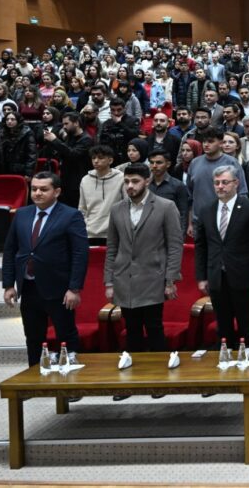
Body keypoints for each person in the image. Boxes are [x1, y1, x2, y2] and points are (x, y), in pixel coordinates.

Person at [2, 173, 89, 367]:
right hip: (29, 286)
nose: (37, 193)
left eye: (43, 189)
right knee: (33, 337)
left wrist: (74, 288)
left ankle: (71, 381)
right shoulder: (22, 214)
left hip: (59, 288)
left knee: (66, 336)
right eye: (34, 189)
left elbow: (80, 254)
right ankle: (34, 377)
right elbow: (10, 251)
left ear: (56, 192)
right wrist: (8, 285)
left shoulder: (71, 215)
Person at [104, 164, 183, 371]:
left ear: (147, 181)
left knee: (154, 328)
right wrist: (109, 281)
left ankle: (159, 378)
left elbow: (175, 245)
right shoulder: (117, 208)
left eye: (135, 181)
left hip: (153, 277)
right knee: (131, 331)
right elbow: (112, 247)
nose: (130, 186)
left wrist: (171, 279)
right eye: (127, 181)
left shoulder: (166, 206)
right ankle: (134, 379)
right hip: (124, 278)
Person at [194, 165, 249, 350]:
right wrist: (201, 277)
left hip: (243, 275)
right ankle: (226, 362)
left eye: (224, 182)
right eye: (217, 183)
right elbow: (201, 246)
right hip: (216, 276)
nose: (220, 186)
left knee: (247, 323)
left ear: (236, 183)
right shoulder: (206, 210)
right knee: (223, 324)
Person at [78, 144, 125, 246]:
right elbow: (82, 208)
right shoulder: (85, 180)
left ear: (110, 160)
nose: (96, 161)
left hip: (114, 232)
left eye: (100, 158)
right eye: (93, 158)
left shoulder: (121, 178)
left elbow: (127, 205)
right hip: (89, 232)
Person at [148, 148, 189, 236]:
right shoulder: (145, 185)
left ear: (168, 164)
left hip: (170, 233)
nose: (154, 166)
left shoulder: (178, 186)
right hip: (147, 234)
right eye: (151, 162)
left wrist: (180, 237)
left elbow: (183, 213)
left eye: (159, 162)